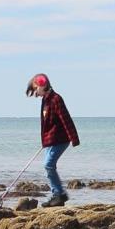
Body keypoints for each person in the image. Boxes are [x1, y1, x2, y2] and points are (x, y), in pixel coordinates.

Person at [26, 73, 80, 207]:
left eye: (35, 89)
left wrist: (74, 138)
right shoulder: (46, 99)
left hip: (60, 139)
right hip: (50, 141)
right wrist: (44, 141)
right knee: (48, 167)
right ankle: (56, 196)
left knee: (48, 165)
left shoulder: (56, 99)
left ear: (42, 84)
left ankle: (60, 194)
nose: (36, 94)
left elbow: (65, 118)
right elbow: (46, 124)